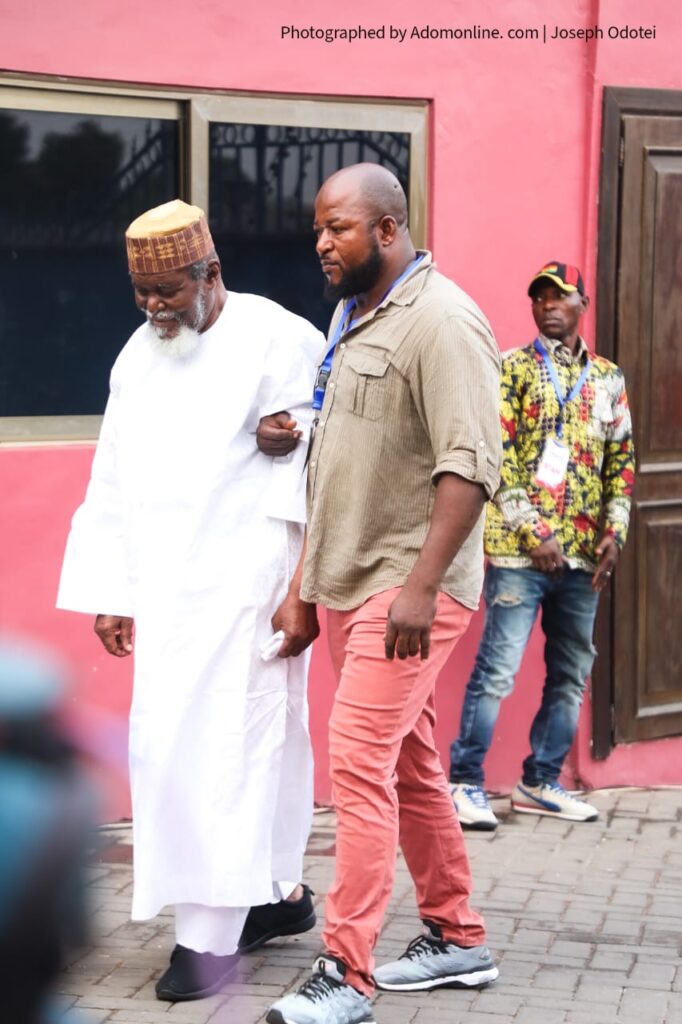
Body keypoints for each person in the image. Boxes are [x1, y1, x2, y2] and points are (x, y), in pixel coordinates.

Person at [57, 200, 325, 1002]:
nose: (154, 307)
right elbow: (112, 473)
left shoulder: (280, 337)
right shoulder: (138, 356)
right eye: (142, 293)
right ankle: (274, 900)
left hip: (249, 594)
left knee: (235, 755)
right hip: (170, 596)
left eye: (168, 291)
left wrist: (298, 433)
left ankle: (207, 941)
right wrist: (112, 591)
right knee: (171, 754)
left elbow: (337, 442)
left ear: (211, 273)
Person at [259, 164, 503, 1024]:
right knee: (409, 762)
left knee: (358, 763)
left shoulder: (443, 321)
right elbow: (334, 462)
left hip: (407, 588)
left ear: (389, 230)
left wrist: (421, 587)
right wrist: (304, 586)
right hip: (353, 581)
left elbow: (470, 465)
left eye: (339, 228)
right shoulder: (354, 316)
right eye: (318, 230)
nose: (322, 245)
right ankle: (457, 935)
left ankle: (346, 973)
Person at [449, 261, 635, 831]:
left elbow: (621, 460)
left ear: (583, 305)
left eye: (560, 296)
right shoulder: (511, 368)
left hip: (583, 556)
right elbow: (495, 454)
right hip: (518, 553)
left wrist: (615, 532)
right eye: (540, 297)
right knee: (497, 670)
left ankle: (541, 781)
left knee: (572, 672)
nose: (549, 305)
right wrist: (534, 533)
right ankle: (464, 782)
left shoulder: (608, 379)